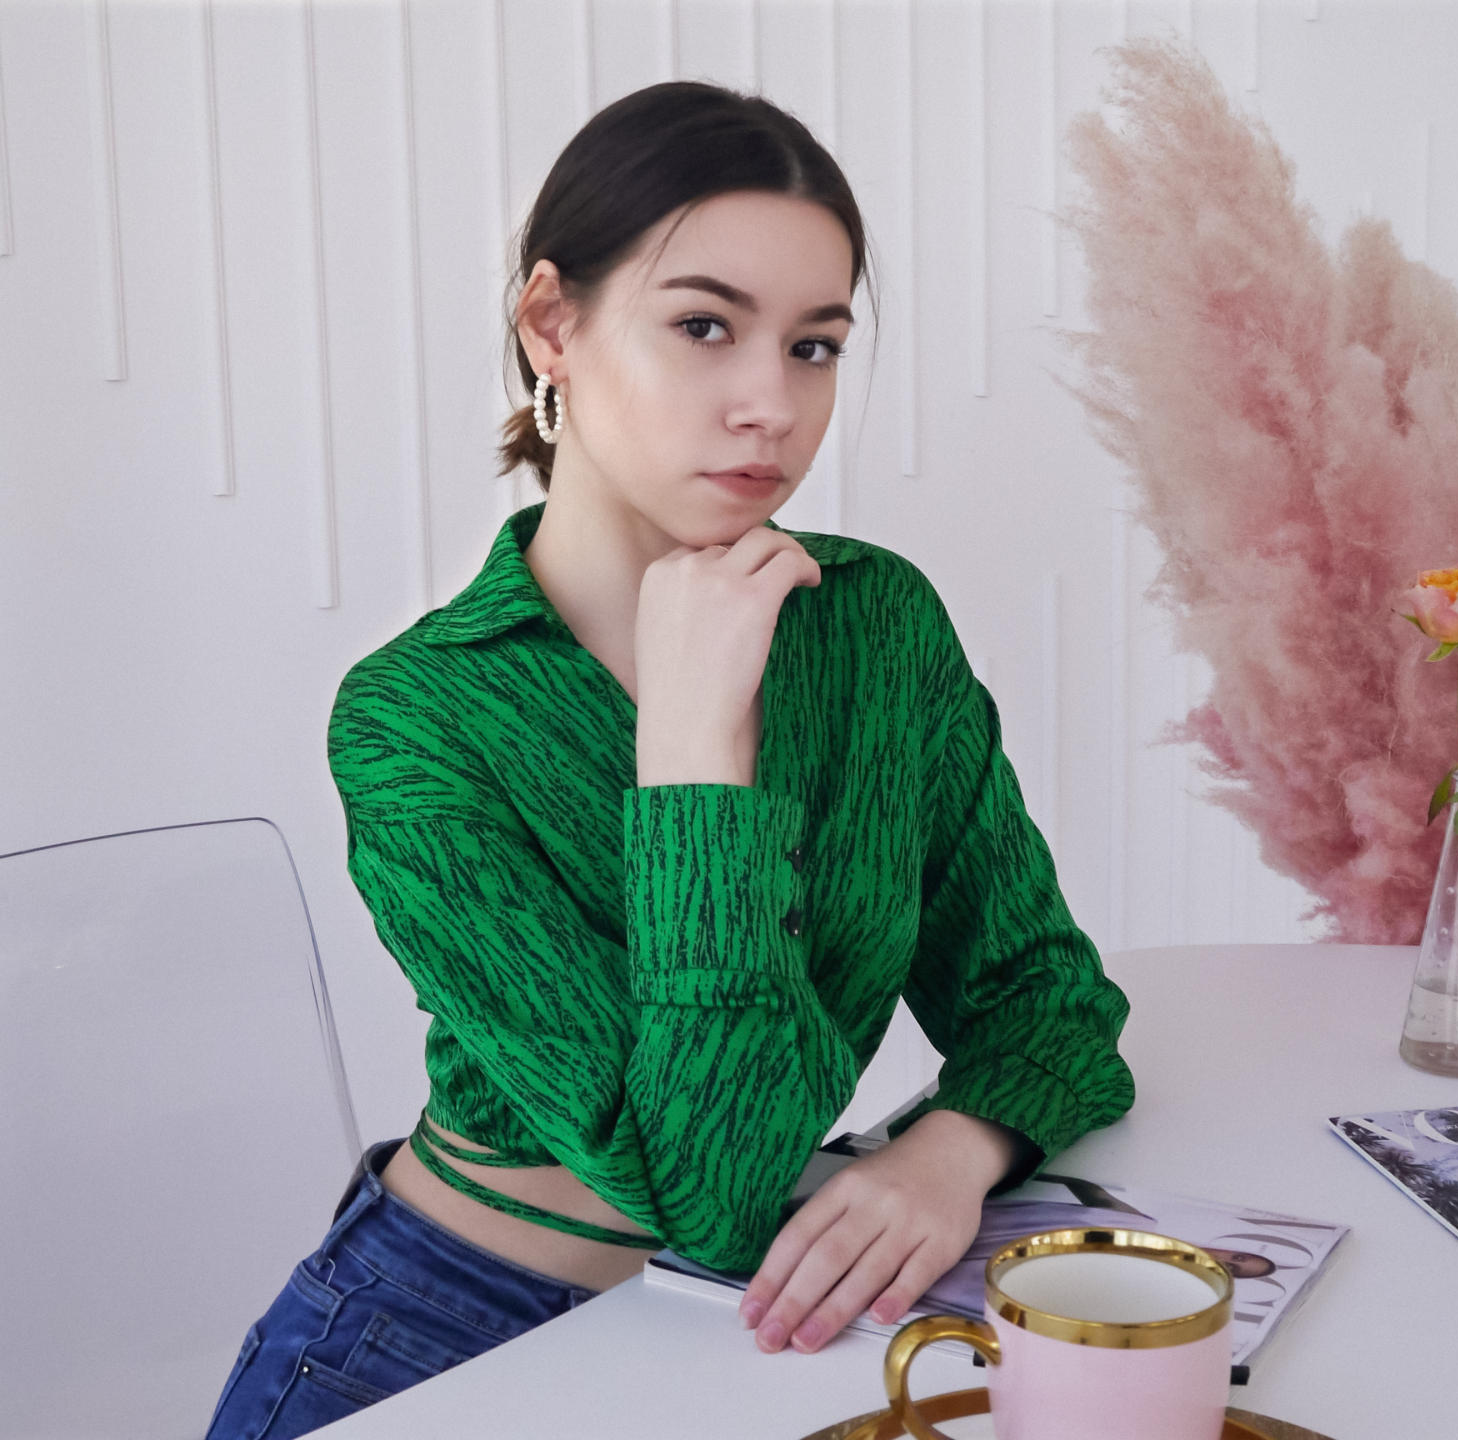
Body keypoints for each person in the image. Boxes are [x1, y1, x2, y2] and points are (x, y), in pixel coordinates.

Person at [202, 79, 1136, 1440]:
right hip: (433, 1339)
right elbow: (706, 1193)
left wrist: (949, 1151)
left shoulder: (874, 627)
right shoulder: (415, 721)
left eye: (813, 346)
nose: (771, 404)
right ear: (552, 325)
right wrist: (695, 763)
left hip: (748, 1333)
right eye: (704, 326)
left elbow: (1048, 1003)